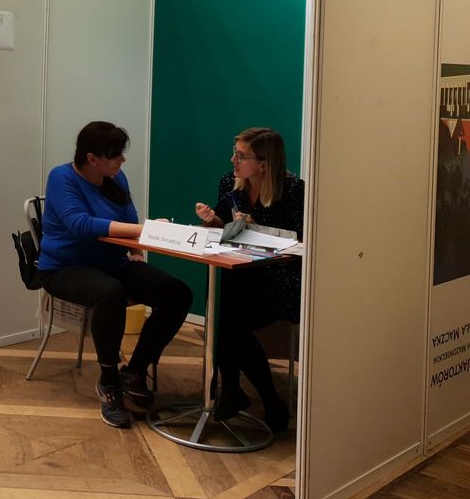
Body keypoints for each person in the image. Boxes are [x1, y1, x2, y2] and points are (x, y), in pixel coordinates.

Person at [39, 121, 192, 429]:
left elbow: (128, 218)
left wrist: (137, 250)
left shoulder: (115, 177)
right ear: (92, 158)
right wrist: (148, 230)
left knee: (178, 293)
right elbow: (81, 224)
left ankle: (134, 370)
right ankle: (109, 381)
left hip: (111, 263)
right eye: (116, 155)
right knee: (110, 293)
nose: (122, 159)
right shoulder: (61, 177)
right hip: (63, 268)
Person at [195, 127, 303, 431]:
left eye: (241, 156)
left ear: (264, 164)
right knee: (226, 306)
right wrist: (212, 220)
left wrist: (257, 230)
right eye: (235, 153)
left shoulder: (294, 190)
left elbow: (299, 241)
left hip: (281, 278)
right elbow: (224, 226)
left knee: (226, 320)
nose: (233, 160)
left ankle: (243, 393)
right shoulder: (230, 182)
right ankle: (251, 396)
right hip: (242, 273)